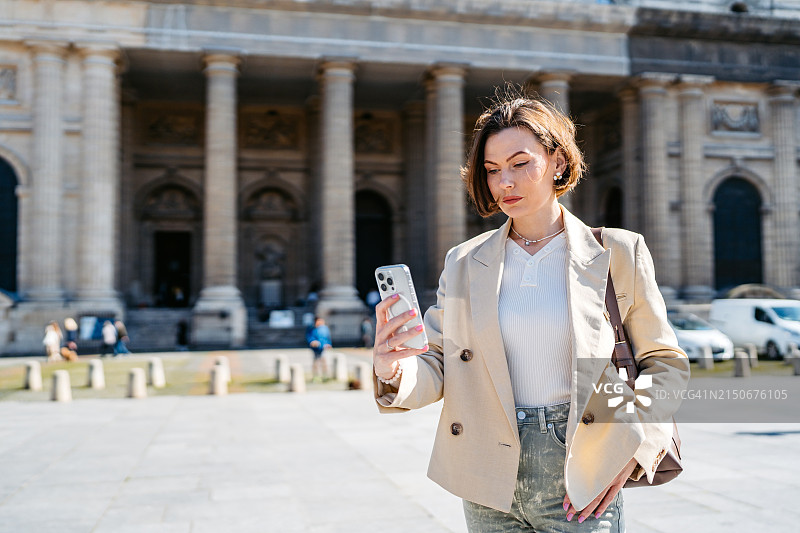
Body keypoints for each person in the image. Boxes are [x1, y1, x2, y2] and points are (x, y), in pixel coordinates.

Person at [372, 95, 689, 532]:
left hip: (582, 463)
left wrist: (637, 446)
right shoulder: (464, 262)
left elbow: (665, 363)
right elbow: (439, 364)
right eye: (492, 169)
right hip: (487, 470)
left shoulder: (618, 251)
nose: (505, 182)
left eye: (521, 163)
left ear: (558, 161)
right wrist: (394, 372)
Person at [306, 316, 331, 380]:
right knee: (316, 362)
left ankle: (325, 376)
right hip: (315, 348)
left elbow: (327, 337)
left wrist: (328, 344)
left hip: (323, 348)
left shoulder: (325, 328)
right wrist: (312, 341)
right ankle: (316, 376)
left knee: (324, 361)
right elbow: (309, 337)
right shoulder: (311, 328)